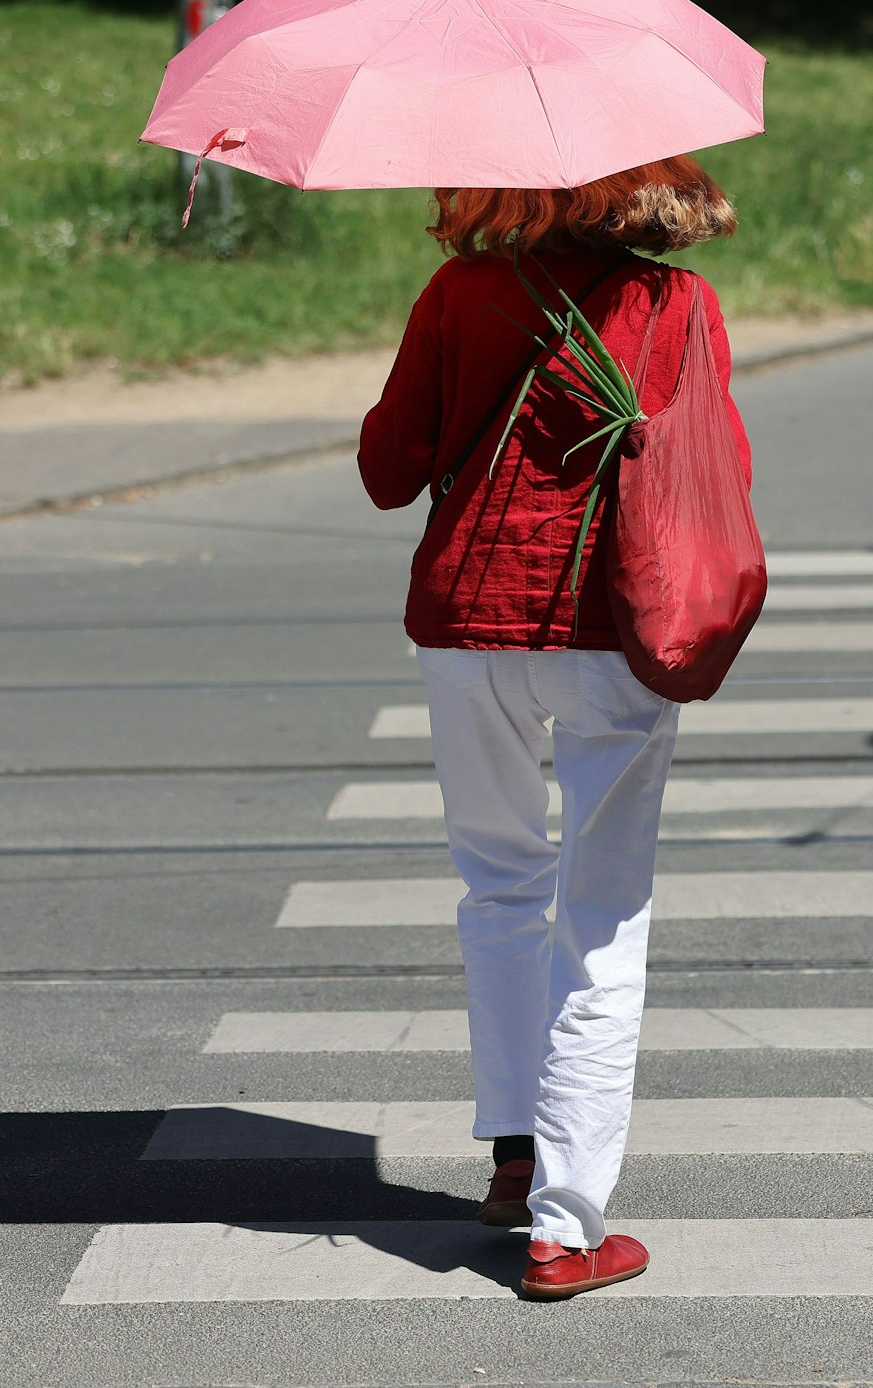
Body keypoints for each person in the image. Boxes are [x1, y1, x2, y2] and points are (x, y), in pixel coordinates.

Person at [357, 156, 749, 1300]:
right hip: (611, 627)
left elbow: (389, 473)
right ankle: (564, 1227)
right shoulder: (676, 304)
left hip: (467, 628)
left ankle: (511, 1154)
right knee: (601, 916)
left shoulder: (459, 296)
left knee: (498, 887)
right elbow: (710, 465)